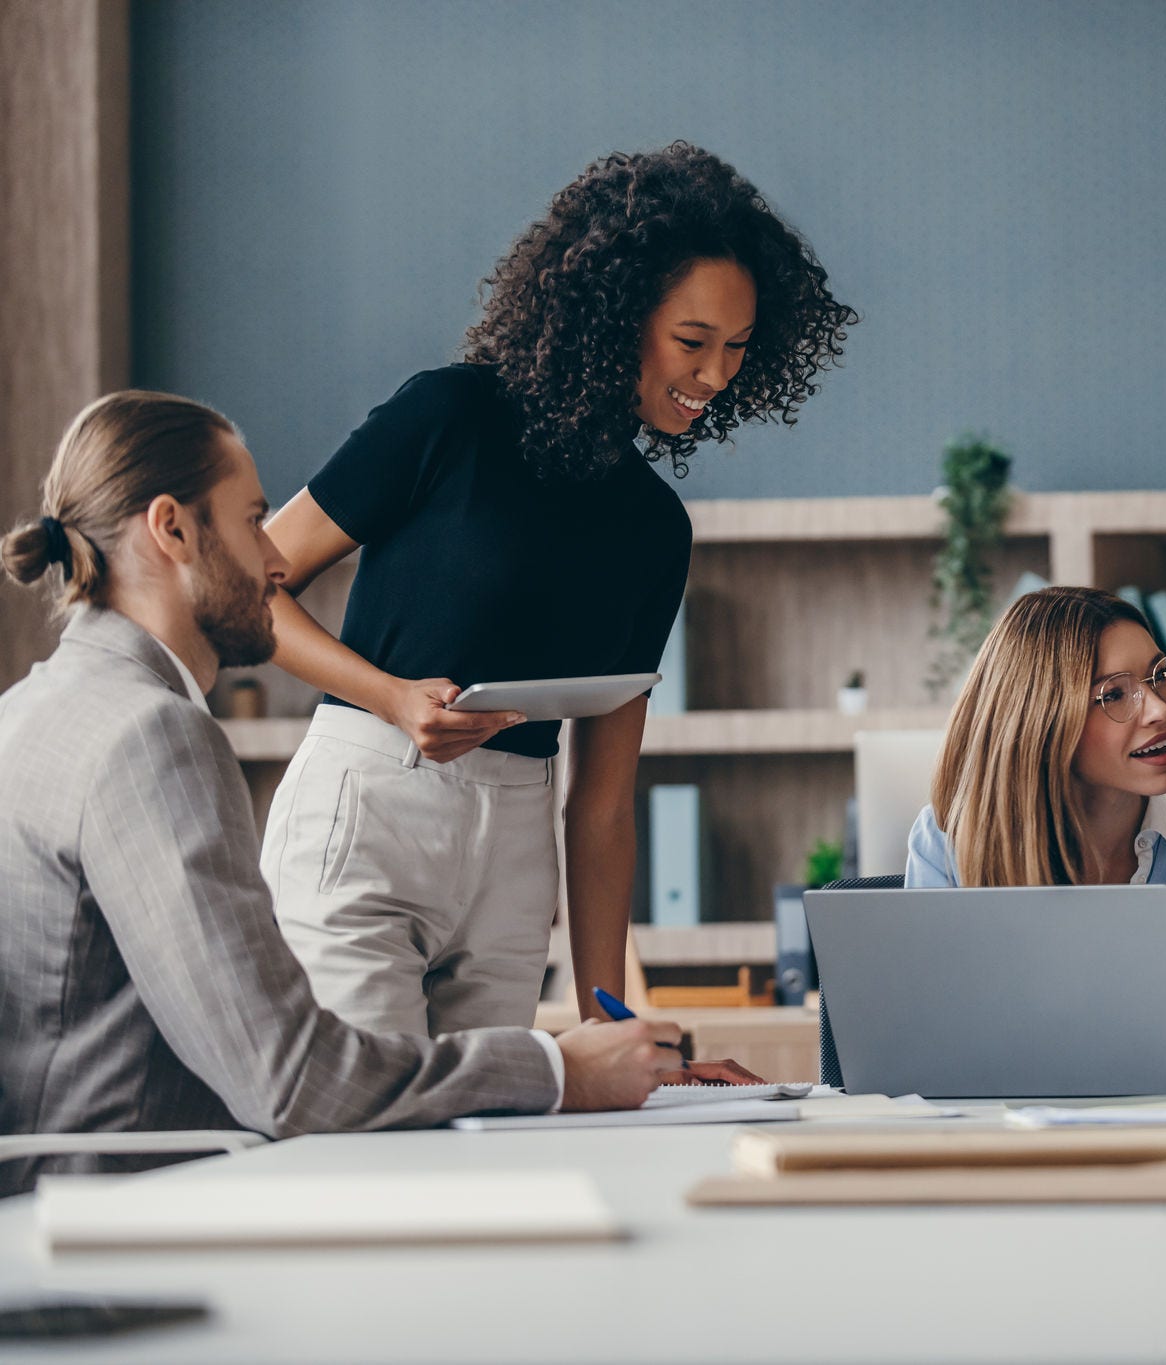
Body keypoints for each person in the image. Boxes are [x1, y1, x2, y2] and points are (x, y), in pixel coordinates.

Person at [0, 393, 691, 1198]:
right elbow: (291, 1077)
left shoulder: (31, 709)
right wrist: (555, 1067)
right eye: (254, 521)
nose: (278, 560)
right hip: (121, 1227)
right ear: (173, 529)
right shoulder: (153, 737)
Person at [258, 141, 854, 1037]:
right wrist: (391, 696)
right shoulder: (448, 415)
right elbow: (247, 588)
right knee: (363, 1131)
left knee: (486, 1146)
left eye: (737, 347)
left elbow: (605, 803)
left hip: (517, 842)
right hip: (375, 801)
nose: (717, 375)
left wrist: (605, 1013)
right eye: (693, 342)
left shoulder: (658, 529)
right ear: (614, 314)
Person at [905, 587, 1166, 1079]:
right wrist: (1155, 968)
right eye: (1115, 694)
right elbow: (935, 1059)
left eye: (1160, 675)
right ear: (1040, 719)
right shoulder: (946, 838)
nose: (1161, 710)